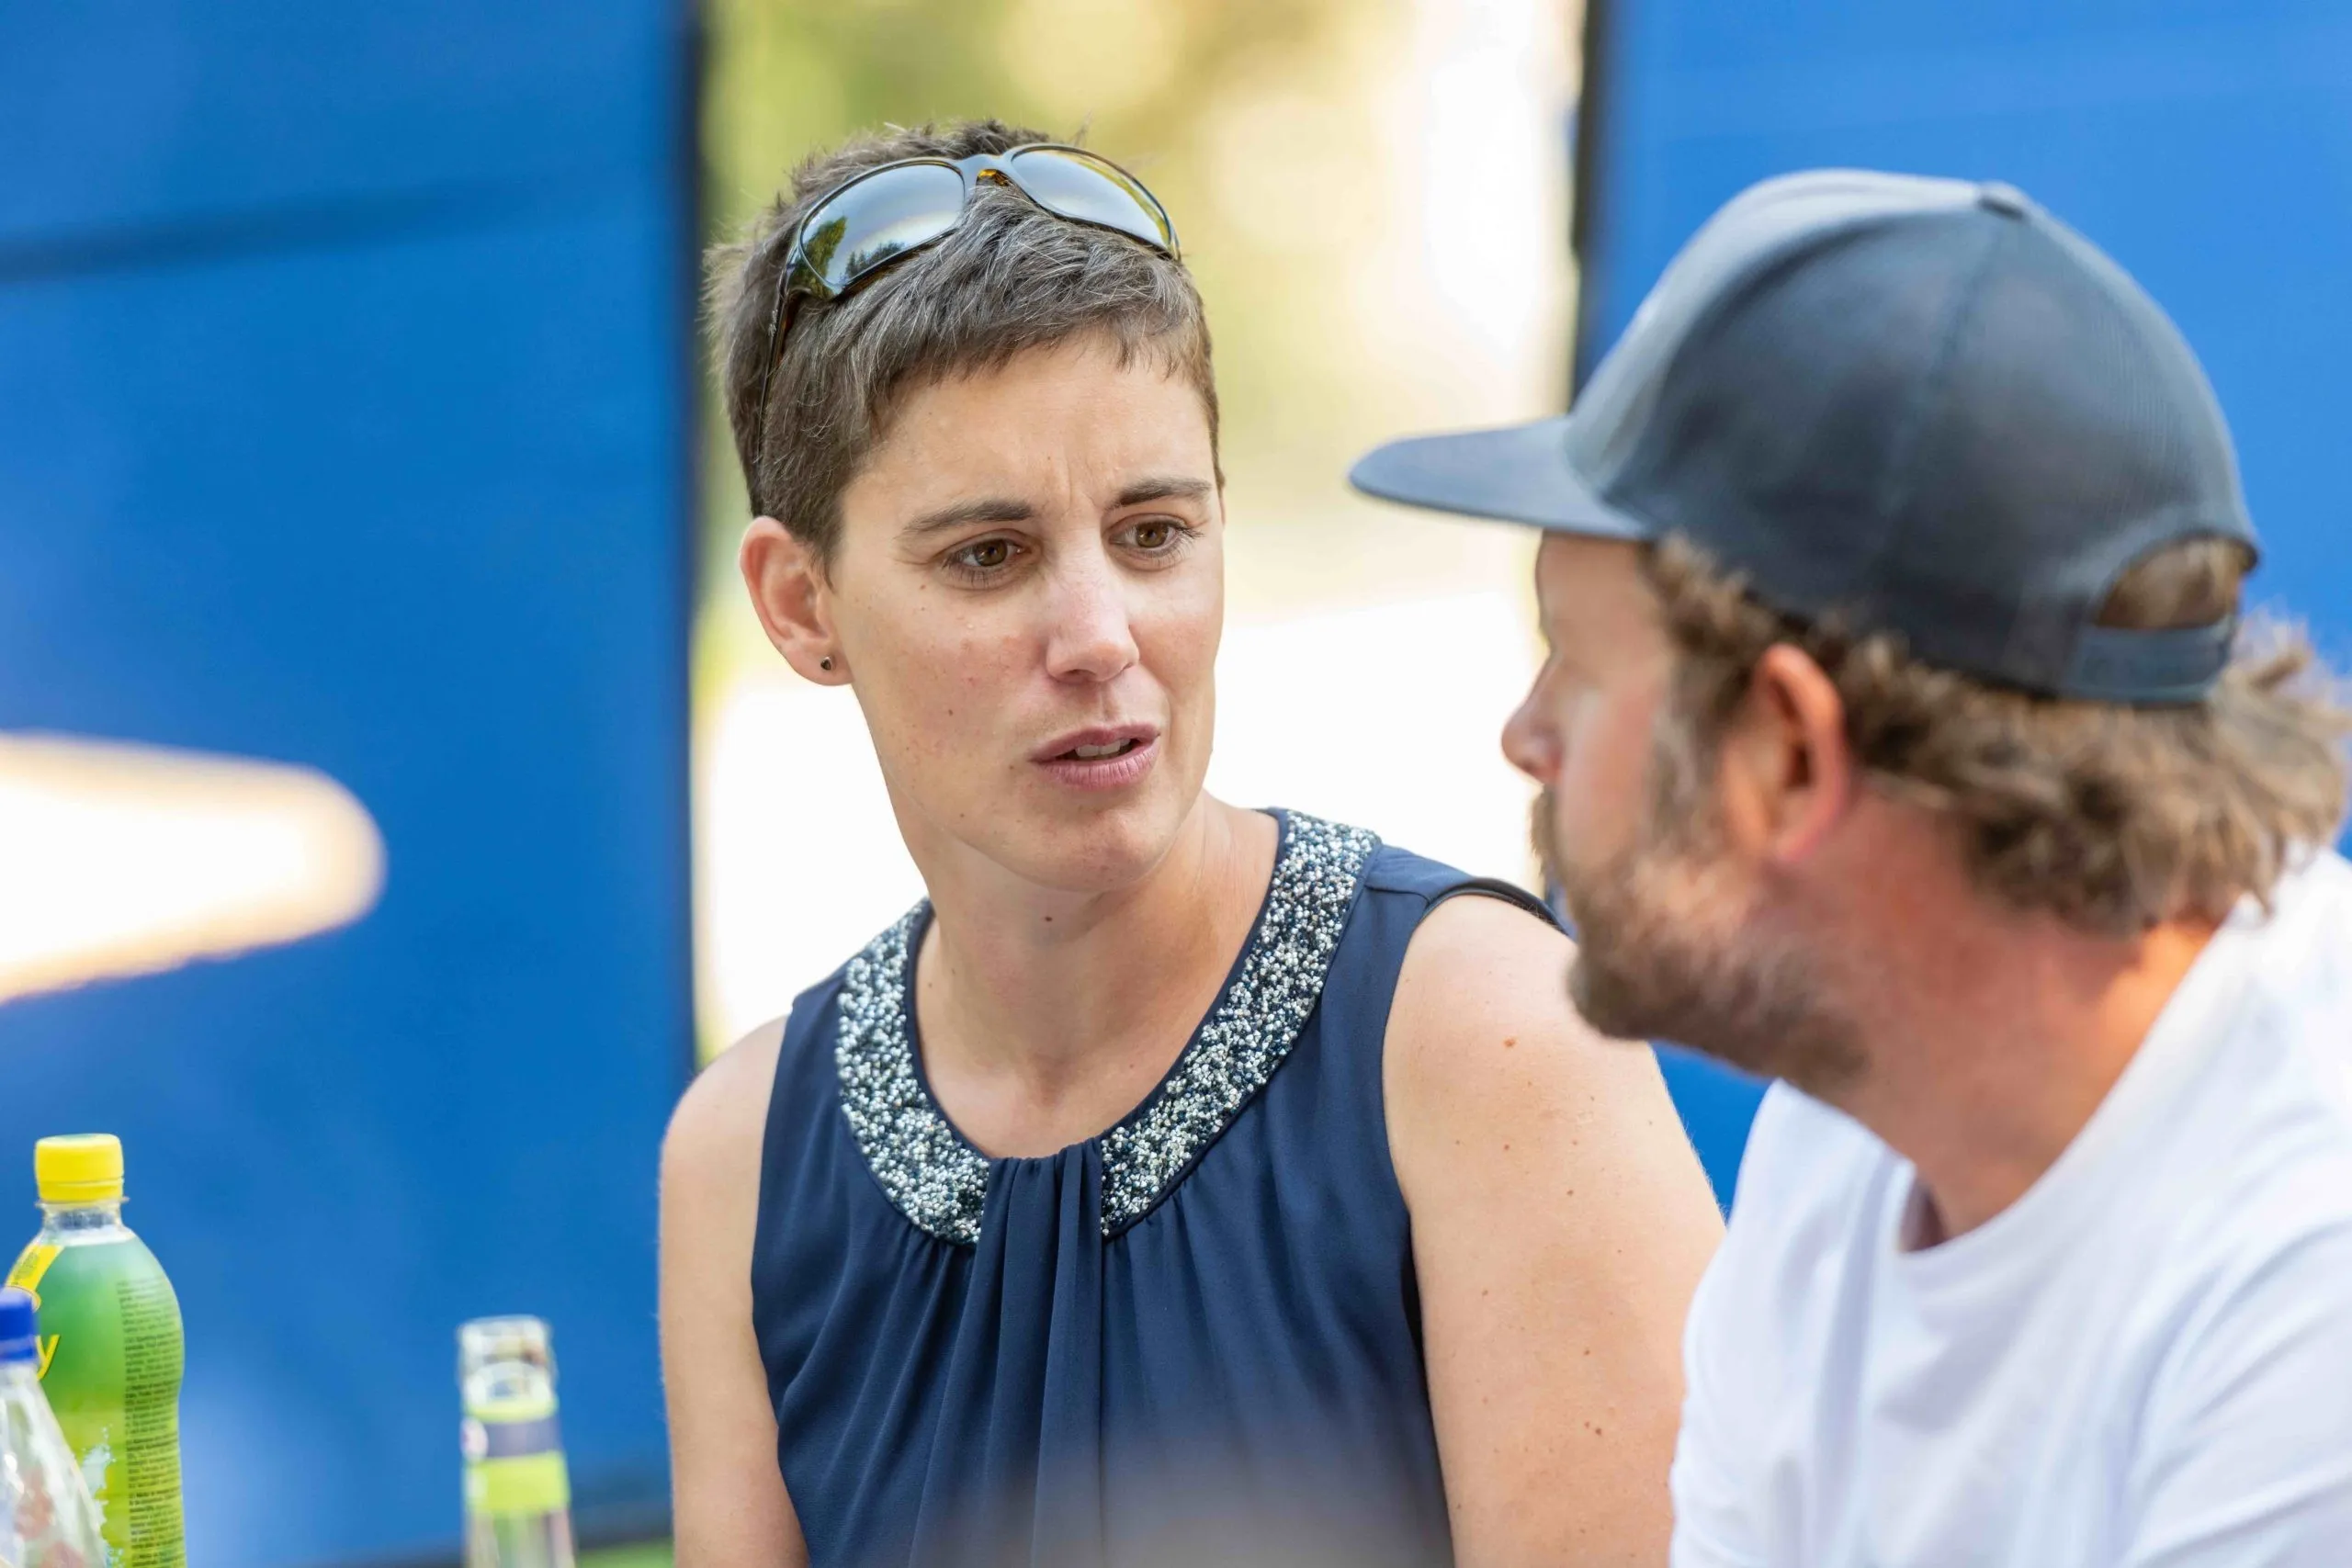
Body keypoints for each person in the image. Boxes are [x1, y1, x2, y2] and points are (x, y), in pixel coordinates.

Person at [660, 118, 1723, 1568]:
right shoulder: (741, 1157)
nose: (1101, 637)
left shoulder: (1490, 1043)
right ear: (800, 604)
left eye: (1154, 532)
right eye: (990, 554)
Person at [1351, 170, 2352, 1566]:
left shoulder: (2312, 1271)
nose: (1525, 738)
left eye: (1573, 666)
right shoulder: (1855, 1132)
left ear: (1792, 756)